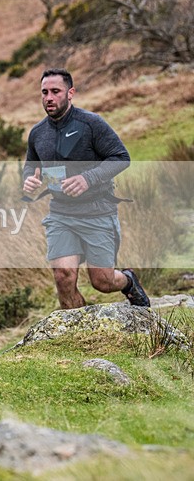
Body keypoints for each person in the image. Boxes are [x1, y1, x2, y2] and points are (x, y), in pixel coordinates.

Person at [22, 68, 150, 309]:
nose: (49, 97)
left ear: (70, 93)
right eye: (44, 92)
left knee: (102, 281)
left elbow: (121, 157)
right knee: (63, 276)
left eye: (56, 92)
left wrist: (87, 179)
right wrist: (28, 180)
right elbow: (31, 167)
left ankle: (128, 281)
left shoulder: (91, 124)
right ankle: (77, 334)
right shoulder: (38, 133)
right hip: (61, 215)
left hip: (97, 212)